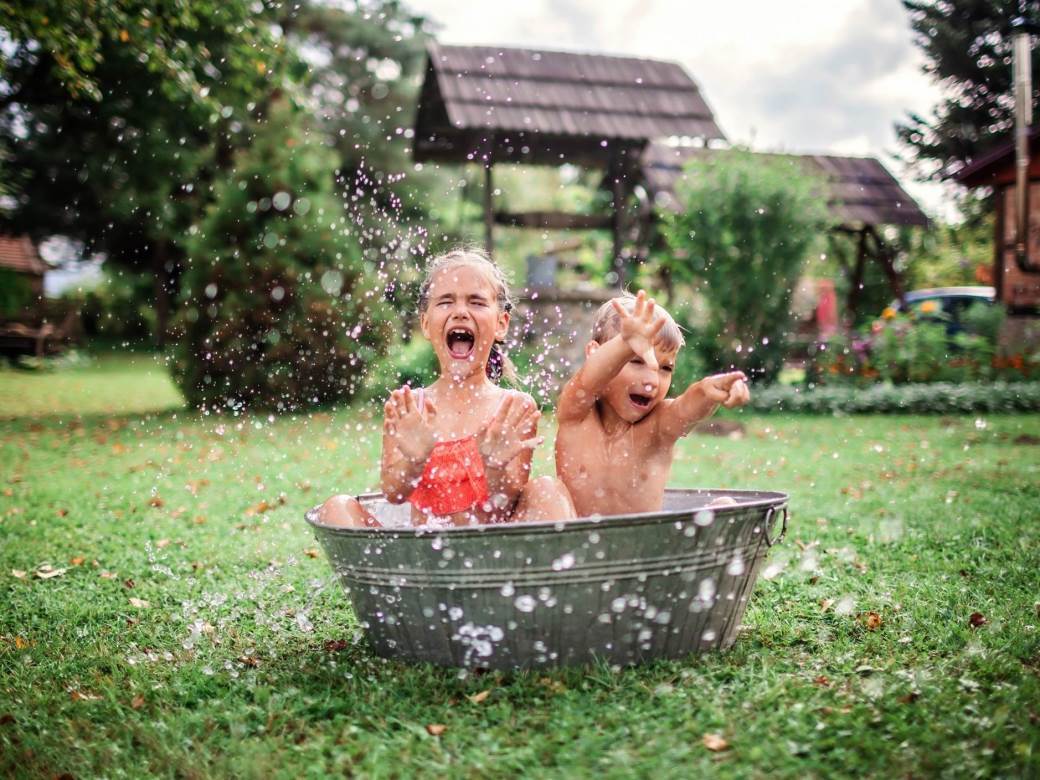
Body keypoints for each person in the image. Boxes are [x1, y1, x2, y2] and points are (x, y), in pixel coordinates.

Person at [319, 248, 575, 528]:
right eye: (445, 302)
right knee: (337, 508)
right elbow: (394, 493)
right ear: (426, 323)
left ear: (501, 324)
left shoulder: (513, 409)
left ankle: (550, 571)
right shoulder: (409, 407)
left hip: (492, 555)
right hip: (424, 557)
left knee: (547, 490)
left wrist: (494, 466)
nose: (460, 312)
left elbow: (504, 502)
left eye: (476, 302)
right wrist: (414, 460)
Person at [555, 290, 750, 518]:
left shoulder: (658, 425)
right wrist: (624, 344)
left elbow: (685, 409)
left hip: (645, 547)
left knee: (724, 506)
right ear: (594, 353)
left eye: (665, 368)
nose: (651, 380)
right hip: (574, 549)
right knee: (545, 489)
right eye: (636, 360)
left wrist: (708, 391)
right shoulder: (576, 414)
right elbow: (589, 380)